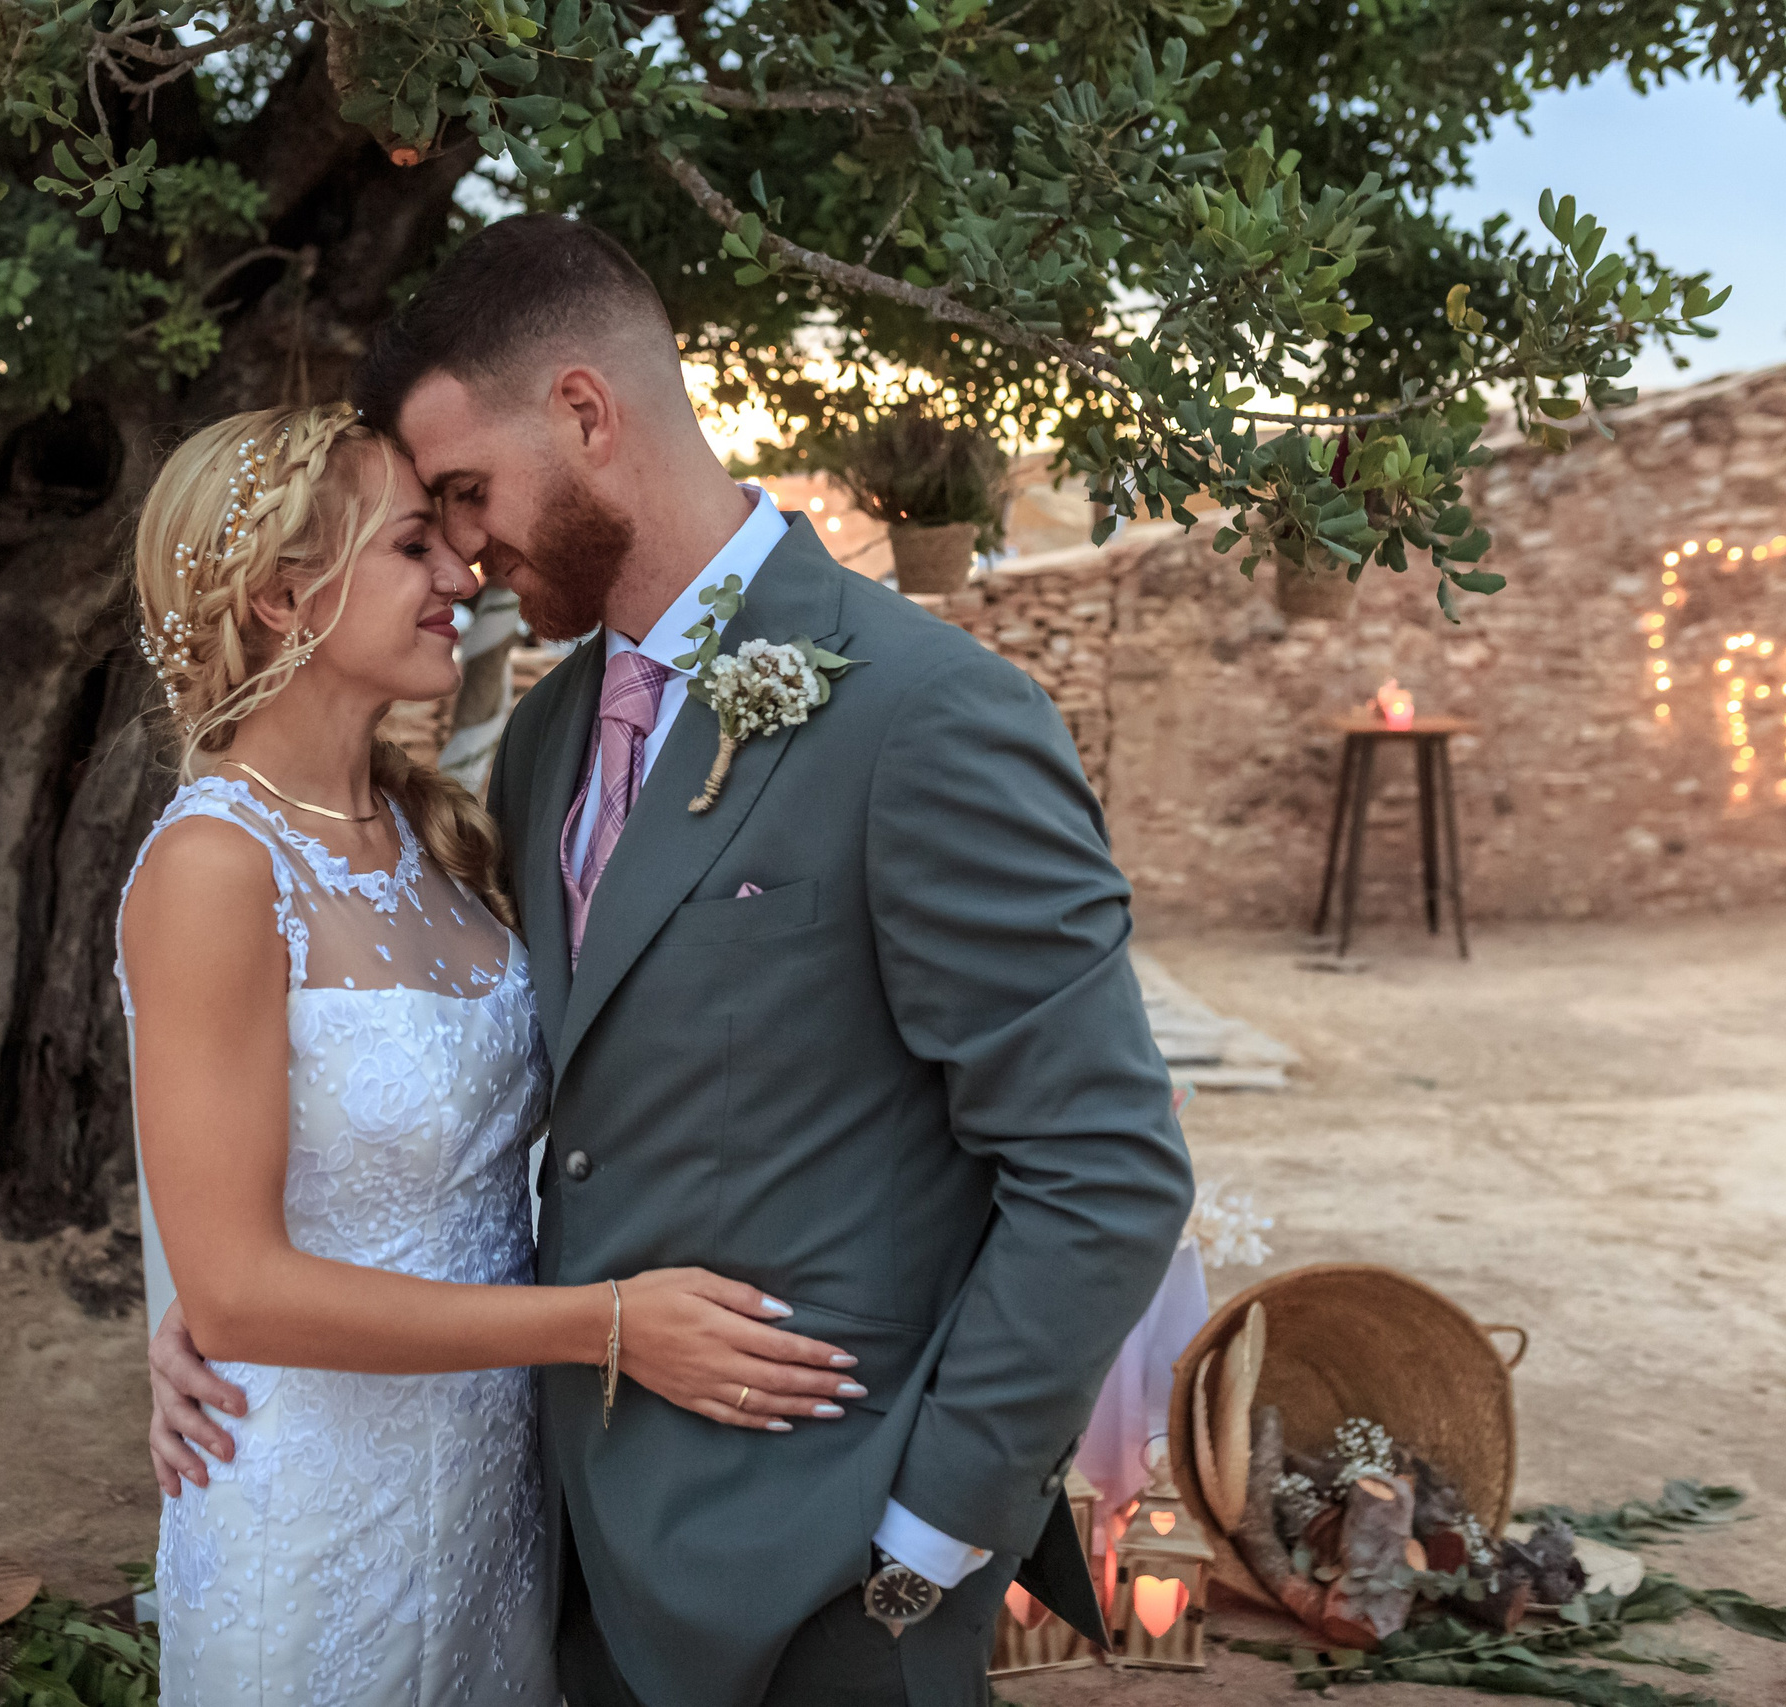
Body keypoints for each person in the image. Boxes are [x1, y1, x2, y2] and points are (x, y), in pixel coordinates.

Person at [147, 216, 1197, 1707]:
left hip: (836, 1573)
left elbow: (1105, 1166)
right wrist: (220, 1300)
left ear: (585, 412)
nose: (462, 552)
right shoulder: (541, 746)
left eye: (463, 493)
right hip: (566, 1548)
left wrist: (928, 1539)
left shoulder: (928, 717)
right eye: (429, 521)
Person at [116, 403, 867, 1707]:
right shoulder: (212, 869)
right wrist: (611, 1326)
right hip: (309, 1513)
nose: (463, 574)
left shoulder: (441, 836)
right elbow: (234, 1288)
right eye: (415, 545)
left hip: (489, 1501)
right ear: (288, 596)